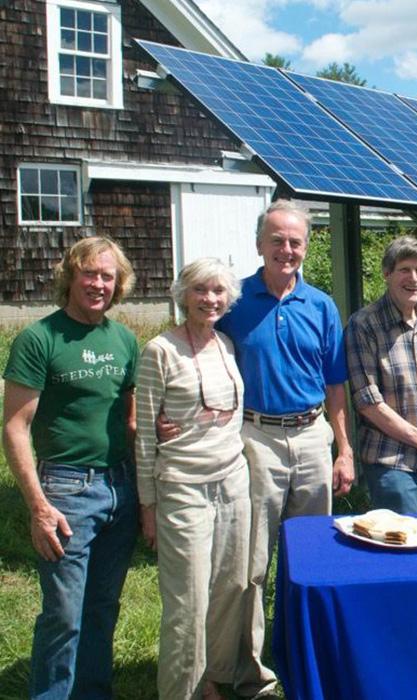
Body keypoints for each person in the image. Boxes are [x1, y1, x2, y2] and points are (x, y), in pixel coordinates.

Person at [156, 199, 354, 698]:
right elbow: (195, 350)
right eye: (277, 240)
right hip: (253, 439)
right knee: (250, 563)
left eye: (296, 242)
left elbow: (335, 386)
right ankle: (245, 669)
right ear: (259, 244)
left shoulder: (322, 306)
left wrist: (343, 449)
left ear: (306, 247)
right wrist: (170, 413)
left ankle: (300, 656)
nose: (287, 250)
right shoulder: (235, 300)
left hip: (312, 436)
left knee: (308, 555)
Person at [3, 236, 139, 699]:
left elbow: (131, 417)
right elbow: (15, 427)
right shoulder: (39, 338)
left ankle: (92, 692)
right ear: (70, 276)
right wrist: (38, 506)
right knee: (64, 612)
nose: (98, 283)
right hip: (66, 490)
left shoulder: (123, 339)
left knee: (103, 606)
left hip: (121, 486)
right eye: (90, 273)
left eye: (107, 276)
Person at [135, 258, 250, 700]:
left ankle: (212, 680)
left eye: (219, 291)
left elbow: (230, 416)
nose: (211, 299)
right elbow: (146, 433)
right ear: (182, 294)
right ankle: (180, 690)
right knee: (188, 602)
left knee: (229, 589)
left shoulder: (225, 343)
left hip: (232, 482)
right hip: (183, 487)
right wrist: (149, 505)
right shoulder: (159, 351)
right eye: (201, 290)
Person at [346, 235, 417, 513]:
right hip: (394, 463)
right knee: (406, 548)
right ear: (387, 274)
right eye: (404, 270)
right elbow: (368, 403)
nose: (414, 278)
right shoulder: (364, 325)